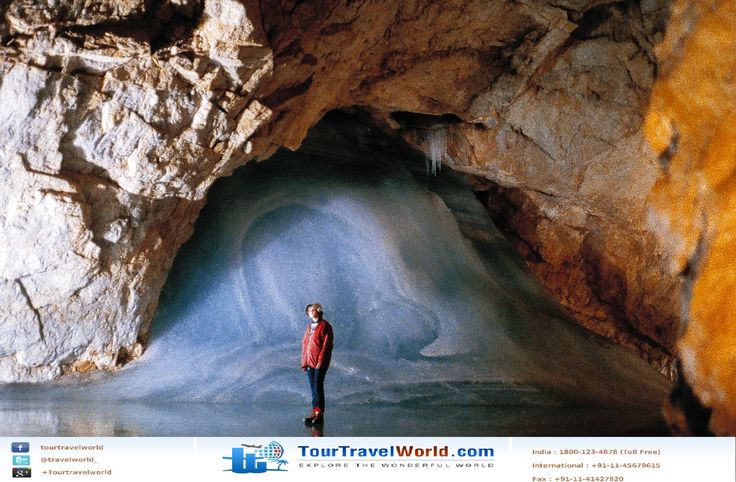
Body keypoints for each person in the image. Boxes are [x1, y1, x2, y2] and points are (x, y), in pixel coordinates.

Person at [301, 303, 333, 424]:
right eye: (309, 310)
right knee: (313, 387)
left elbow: (326, 346)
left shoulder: (325, 326)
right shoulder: (309, 327)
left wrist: (320, 362)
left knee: (318, 386)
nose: (311, 311)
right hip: (310, 362)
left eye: (313, 309)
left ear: (319, 311)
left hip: (319, 363)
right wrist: (304, 362)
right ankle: (315, 412)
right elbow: (305, 345)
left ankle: (320, 413)